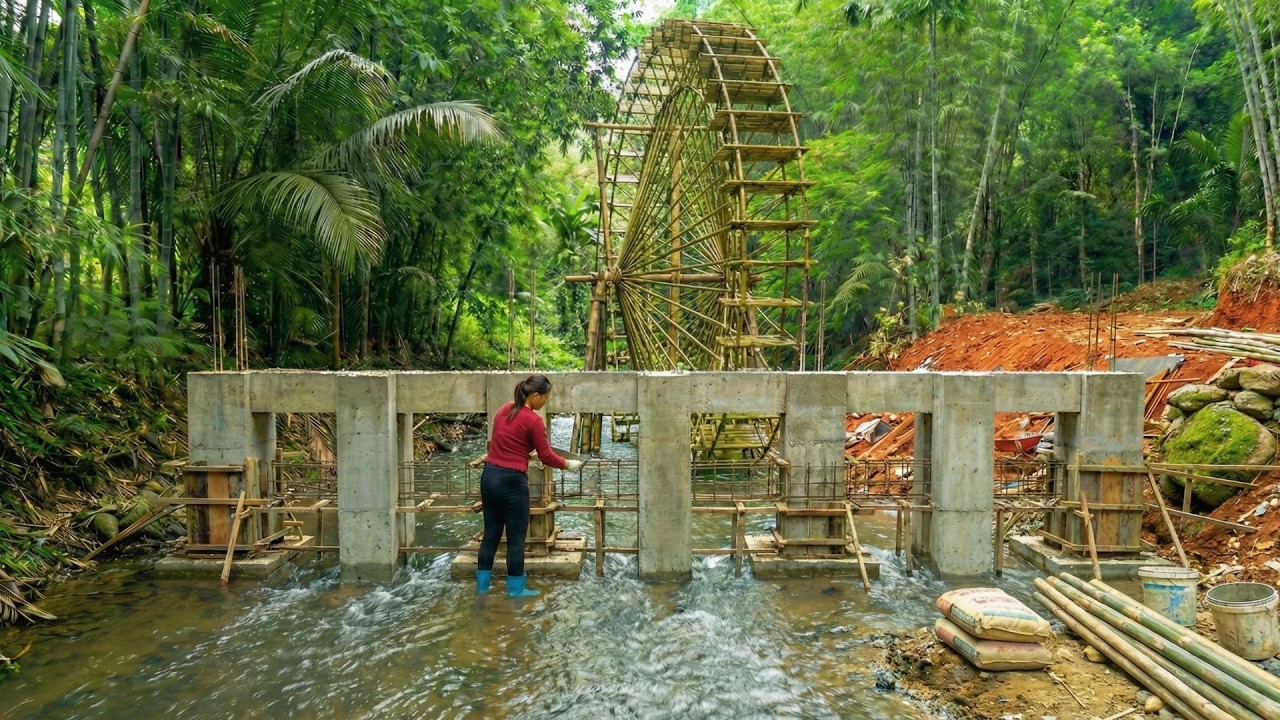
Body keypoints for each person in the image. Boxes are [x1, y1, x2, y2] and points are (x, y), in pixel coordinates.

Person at [476, 374, 583, 597]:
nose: (545, 401)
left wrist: (526, 453)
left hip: (490, 477)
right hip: (512, 482)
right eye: (546, 397)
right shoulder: (534, 421)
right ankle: (516, 590)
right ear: (535, 395)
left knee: (491, 535)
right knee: (516, 539)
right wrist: (569, 464)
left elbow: (506, 442)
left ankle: (482, 588)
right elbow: (547, 456)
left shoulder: (504, 409)